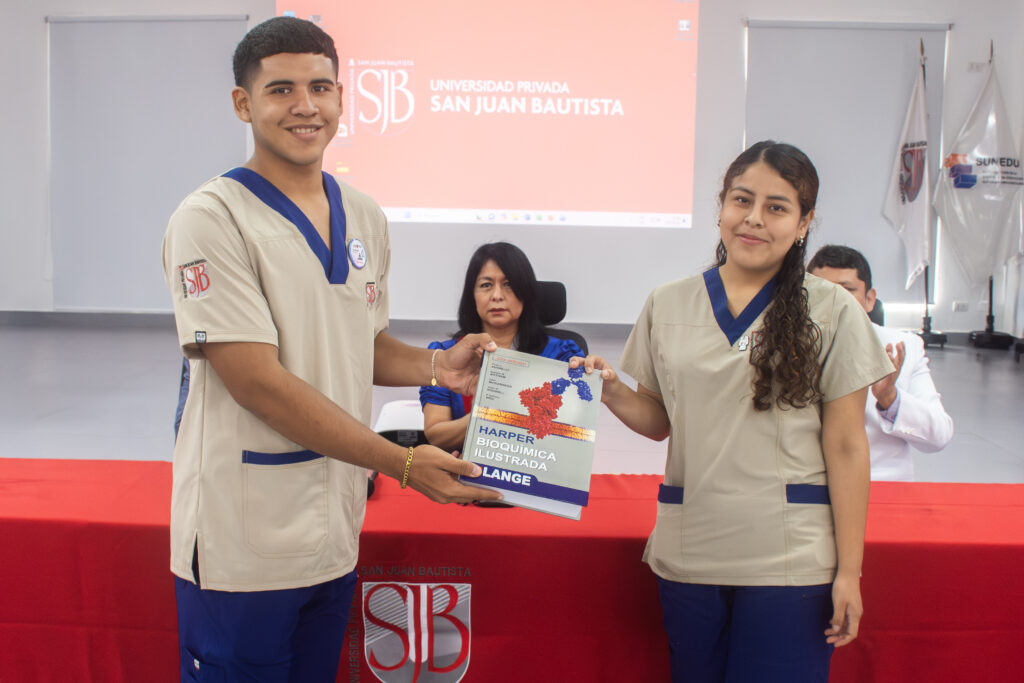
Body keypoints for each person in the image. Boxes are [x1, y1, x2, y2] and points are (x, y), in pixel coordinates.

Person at [161, 17, 499, 682]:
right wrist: (402, 463)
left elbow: (360, 343)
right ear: (244, 104)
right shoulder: (212, 218)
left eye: (321, 87)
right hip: (241, 541)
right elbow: (255, 381)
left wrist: (437, 366)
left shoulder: (363, 213)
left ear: (344, 97)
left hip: (333, 532)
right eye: (281, 89)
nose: (305, 105)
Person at [577, 141, 894, 682]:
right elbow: (659, 422)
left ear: (803, 223)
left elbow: (846, 445)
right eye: (741, 200)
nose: (753, 219)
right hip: (690, 550)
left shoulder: (833, 308)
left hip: (790, 561)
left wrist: (850, 573)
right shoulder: (668, 302)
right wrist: (608, 390)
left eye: (777, 207)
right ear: (720, 207)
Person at [419, 242, 584, 451]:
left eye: (508, 284)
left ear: (526, 293)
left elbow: (573, 433)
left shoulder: (561, 355)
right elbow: (437, 435)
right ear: (472, 296)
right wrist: (487, 414)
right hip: (466, 475)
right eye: (486, 285)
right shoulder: (447, 356)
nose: (497, 295)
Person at [808, 245, 953, 481]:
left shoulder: (903, 347)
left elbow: (939, 436)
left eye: (846, 291)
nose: (834, 302)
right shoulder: (785, 348)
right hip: (808, 487)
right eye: (822, 291)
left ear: (869, 300)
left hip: (881, 484)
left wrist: (890, 399)